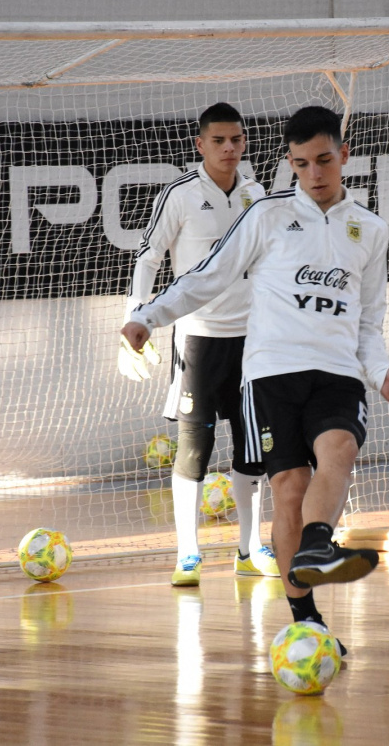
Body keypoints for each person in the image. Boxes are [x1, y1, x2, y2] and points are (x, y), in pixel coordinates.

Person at [122, 105, 389, 651]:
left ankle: (318, 544)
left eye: (324, 160)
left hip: (337, 372)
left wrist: (381, 376)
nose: (314, 173)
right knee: (289, 488)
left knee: (340, 449)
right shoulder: (267, 215)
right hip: (271, 373)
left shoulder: (371, 230)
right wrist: (148, 316)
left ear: (344, 155)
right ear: (290, 163)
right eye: (301, 164)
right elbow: (207, 276)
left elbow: (369, 324)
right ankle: (307, 618)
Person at [120, 102, 278, 587]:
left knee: (254, 447)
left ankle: (250, 549)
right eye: (218, 140)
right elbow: (149, 256)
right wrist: (135, 317)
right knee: (194, 448)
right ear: (200, 144)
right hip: (199, 339)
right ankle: (188, 553)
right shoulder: (181, 195)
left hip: (252, 342)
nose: (229, 148)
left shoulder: (256, 194)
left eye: (236, 139)